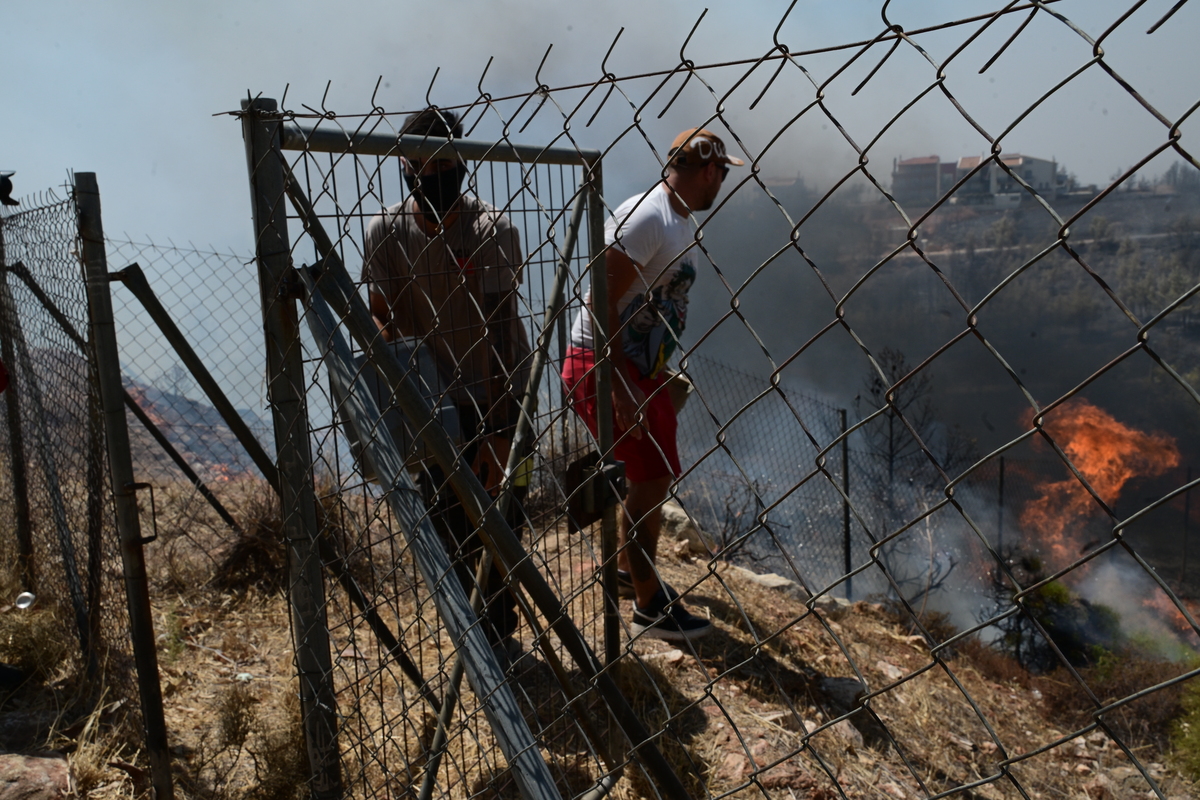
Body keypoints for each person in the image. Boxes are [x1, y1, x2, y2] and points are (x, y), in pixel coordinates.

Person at [361, 107, 531, 659]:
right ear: (405, 164)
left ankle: (500, 643)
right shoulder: (386, 233)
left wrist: (503, 434)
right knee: (449, 531)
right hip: (435, 408)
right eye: (421, 162)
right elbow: (381, 317)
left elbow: (505, 336)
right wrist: (406, 399)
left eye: (444, 161)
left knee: (503, 525)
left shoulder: (492, 230)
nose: (433, 173)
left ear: (462, 160)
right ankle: (476, 651)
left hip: (500, 401)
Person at [562, 128, 743, 642]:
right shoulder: (650, 216)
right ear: (708, 170)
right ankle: (648, 608)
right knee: (652, 479)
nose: (722, 183)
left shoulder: (676, 219)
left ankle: (626, 572)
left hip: (638, 370)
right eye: (722, 173)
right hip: (605, 366)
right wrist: (617, 381)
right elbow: (601, 296)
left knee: (650, 476)